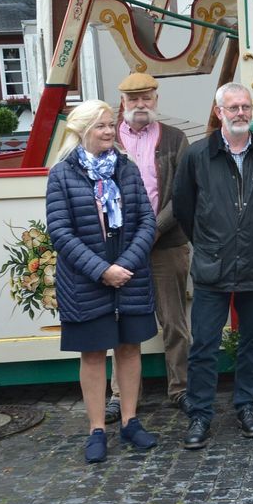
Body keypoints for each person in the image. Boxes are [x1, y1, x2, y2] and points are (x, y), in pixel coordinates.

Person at [45, 100, 159, 463]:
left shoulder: (126, 168)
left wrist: (124, 264)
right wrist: (101, 270)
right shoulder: (62, 174)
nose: (110, 131)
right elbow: (60, 232)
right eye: (101, 126)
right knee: (93, 354)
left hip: (130, 277)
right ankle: (96, 429)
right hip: (85, 281)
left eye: (111, 124)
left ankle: (130, 421)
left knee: (129, 348)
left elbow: (147, 221)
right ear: (81, 131)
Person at [173, 82, 253, 450]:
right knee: (204, 344)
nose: (240, 113)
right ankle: (200, 414)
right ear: (218, 112)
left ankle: (247, 406)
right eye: (233, 107)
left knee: (252, 340)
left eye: (245, 107)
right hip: (213, 265)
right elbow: (184, 208)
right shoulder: (197, 155)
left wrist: (251, 236)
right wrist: (211, 242)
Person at [102, 73, 192, 424]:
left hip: (166, 241)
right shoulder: (108, 138)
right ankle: (122, 395)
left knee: (174, 321)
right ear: (122, 102)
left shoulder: (175, 138)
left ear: (156, 99)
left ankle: (180, 387)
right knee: (122, 321)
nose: (141, 104)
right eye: (133, 98)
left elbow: (183, 193)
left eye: (147, 97)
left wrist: (152, 230)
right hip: (120, 248)